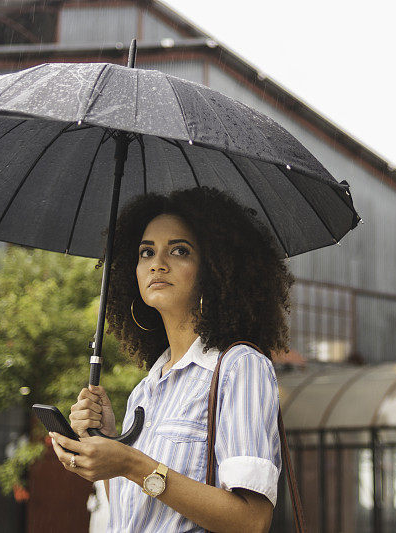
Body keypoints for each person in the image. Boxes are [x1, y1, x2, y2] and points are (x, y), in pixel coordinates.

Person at [48, 187, 295, 532]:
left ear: (216, 267)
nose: (157, 264)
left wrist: (132, 463)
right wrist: (105, 440)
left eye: (179, 250)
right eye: (146, 252)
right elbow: (134, 517)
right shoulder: (145, 391)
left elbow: (252, 520)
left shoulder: (238, 368)